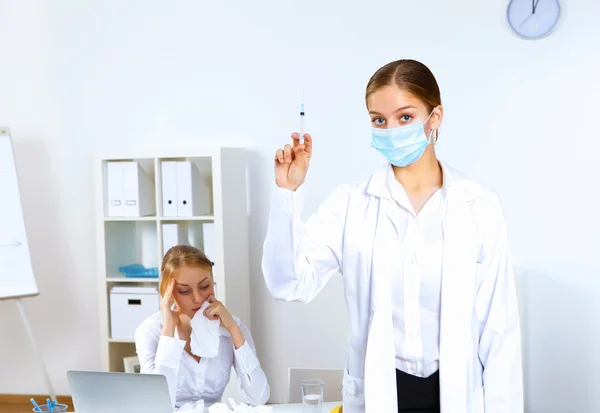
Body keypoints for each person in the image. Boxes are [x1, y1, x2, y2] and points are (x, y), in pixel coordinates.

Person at [261, 59, 523, 413]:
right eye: (378, 120)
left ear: (435, 118)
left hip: (457, 392)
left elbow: (499, 329)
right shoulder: (350, 203)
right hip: (379, 391)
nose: (390, 129)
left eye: (405, 117)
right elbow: (289, 283)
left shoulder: (479, 206)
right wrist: (287, 192)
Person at [135, 245, 270, 409]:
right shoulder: (150, 331)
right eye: (185, 291)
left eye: (205, 286)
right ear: (168, 292)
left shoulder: (232, 326)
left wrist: (233, 329)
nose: (198, 299)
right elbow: (156, 404)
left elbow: (259, 398)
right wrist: (168, 332)